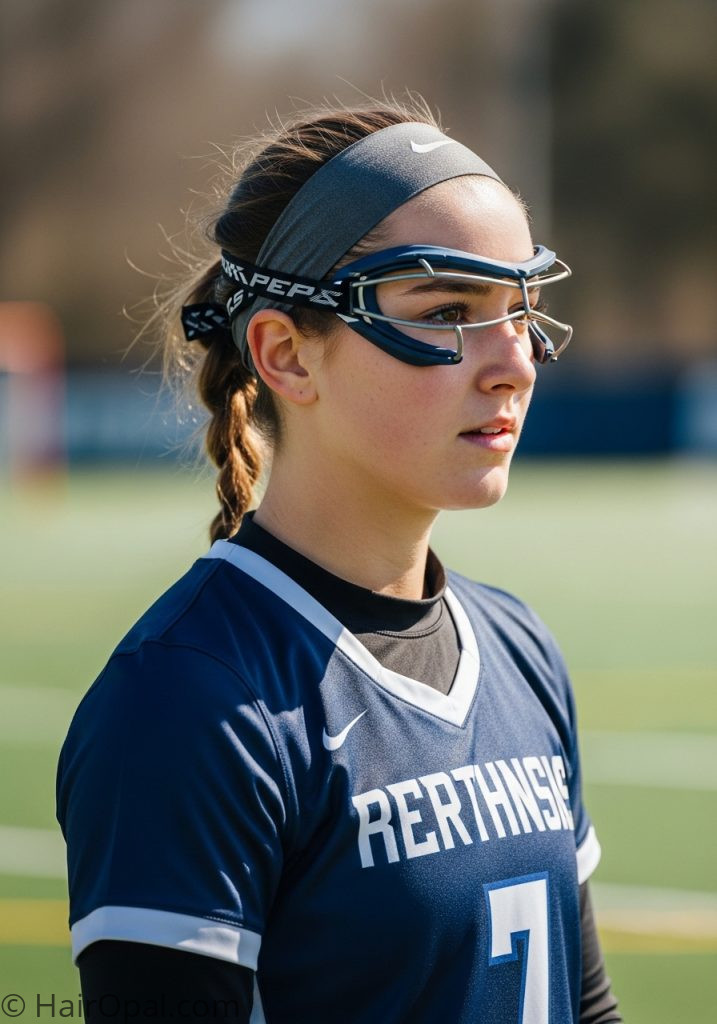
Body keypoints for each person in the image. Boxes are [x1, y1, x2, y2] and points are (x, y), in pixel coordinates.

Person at [56, 99, 622, 1023]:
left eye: (519, 310)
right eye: (447, 311)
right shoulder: (189, 703)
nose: (511, 363)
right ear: (285, 354)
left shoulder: (519, 646)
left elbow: (582, 1005)